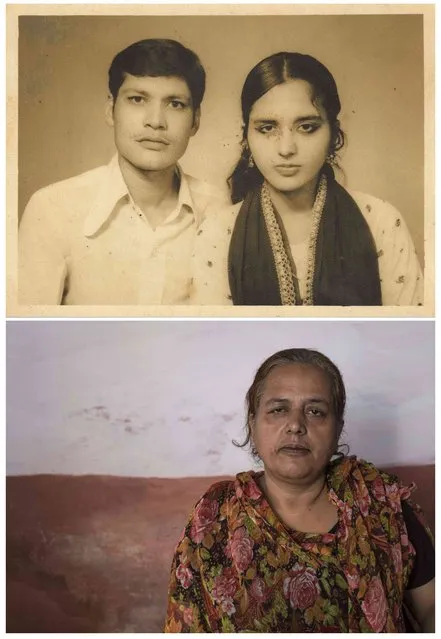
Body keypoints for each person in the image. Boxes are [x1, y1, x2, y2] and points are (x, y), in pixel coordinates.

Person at [164, 348, 434, 632]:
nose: (295, 425)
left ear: (337, 429)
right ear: (253, 424)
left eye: (315, 411)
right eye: (278, 409)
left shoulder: (382, 505)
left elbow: (430, 606)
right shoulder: (215, 515)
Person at [192, 52, 423, 306]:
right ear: (246, 138)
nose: (286, 148)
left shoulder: (381, 223)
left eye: (307, 127)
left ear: (334, 134)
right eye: (267, 129)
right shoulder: (218, 234)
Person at [18, 39, 228, 305]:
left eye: (175, 104)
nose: (155, 121)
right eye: (137, 99)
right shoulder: (52, 209)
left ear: (195, 120)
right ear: (111, 110)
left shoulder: (217, 208)